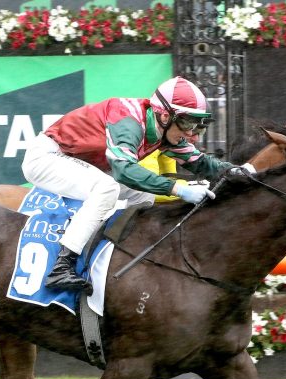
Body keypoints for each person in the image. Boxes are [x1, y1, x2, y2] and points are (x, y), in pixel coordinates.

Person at [21, 76, 251, 295]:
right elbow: (123, 170)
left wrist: (237, 171)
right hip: (46, 157)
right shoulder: (129, 121)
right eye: (187, 123)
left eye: (197, 126)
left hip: (78, 162)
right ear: (164, 116)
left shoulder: (164, 129)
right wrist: (179, 189)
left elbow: (201, 162)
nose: (192, 134)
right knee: (106, 188)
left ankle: (121, 252)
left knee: (143, 196)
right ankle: (62, 266)